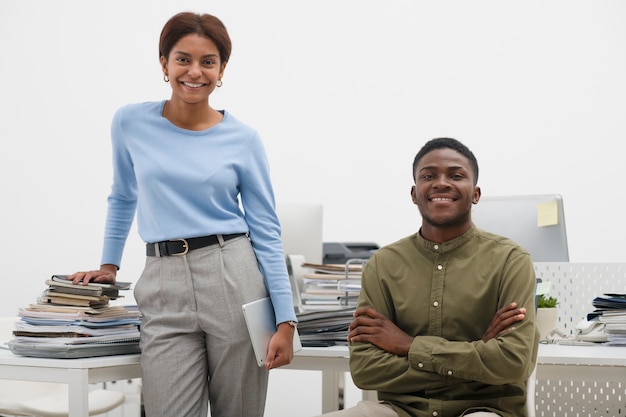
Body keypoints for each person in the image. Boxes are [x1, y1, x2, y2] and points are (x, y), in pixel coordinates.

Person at [68, 12, 297, 417]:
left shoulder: (243, 139)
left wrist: (285, 320)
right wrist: (109, 265)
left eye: (208, 61)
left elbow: (266, 229)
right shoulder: (130, 122)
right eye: (182, 59)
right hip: (162, 283)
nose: (195, 71)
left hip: (234, 278)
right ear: (164, 64)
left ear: (222, 69)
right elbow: (123, 195)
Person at [316, 137, 539, 417]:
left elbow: (512, 362)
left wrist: (408, 346)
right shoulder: (383, 264)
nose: (441, 183)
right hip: (399, 410)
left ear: (476, 193)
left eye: (456, 175)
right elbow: (365, 370)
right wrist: (476, 356)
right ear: (414, 193)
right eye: (428, 176)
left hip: (484, 409)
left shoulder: (511, 260)